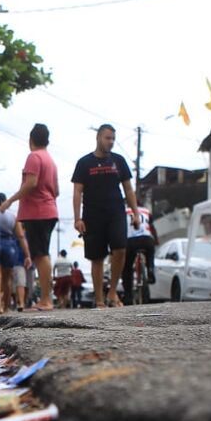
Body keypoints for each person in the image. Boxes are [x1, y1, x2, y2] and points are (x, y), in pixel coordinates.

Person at [72, 124, 141, 308]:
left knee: (120, 249)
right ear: (98, 138)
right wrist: (77, 218)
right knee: (97, 257)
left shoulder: (118, 161)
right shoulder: (84, 163)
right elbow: (77, 191)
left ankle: (112, 293)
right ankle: (100, 299)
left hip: (116, 212)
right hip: (92, 215)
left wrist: (135, 213)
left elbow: (128, 189)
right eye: (107, 138)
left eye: (113, 139)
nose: (110, 142)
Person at [1, 123, 59, 311]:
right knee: (42, 254)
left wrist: (10, 200)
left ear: (31, 140)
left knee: (41, 256)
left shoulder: (34, 157)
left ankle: (45, 300)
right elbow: (56, 190)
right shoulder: (50, 160)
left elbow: (31, 183)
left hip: (37, 213)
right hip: (49, 210)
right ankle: (45, 298)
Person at [122, 207, 159, 304]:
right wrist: (156, 240)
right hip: (147, 239)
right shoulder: (146, 211)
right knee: (150, 253)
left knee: (127, 267)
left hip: (131, 241)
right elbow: (152, 227)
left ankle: (128, 296)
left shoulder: (125, 211)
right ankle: (150, 268)